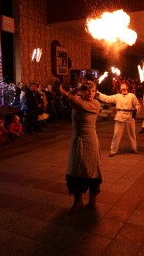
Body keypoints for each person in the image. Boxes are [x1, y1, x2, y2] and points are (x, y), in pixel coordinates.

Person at [59, 81, 102, 215]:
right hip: (77, 141)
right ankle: (78, 202)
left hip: (90, 141)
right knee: (75, 170)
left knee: (91, 170)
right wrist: (78, 87)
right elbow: (73, 98)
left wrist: (61, 90)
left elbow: (73, 99)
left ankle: (92, 201)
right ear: (82, 91)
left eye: (93, 90)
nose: (90, 93)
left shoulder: (95, 104)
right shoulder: (77, 101)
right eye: (87, 90)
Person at [96, 82, 141, 156]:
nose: (122, 86)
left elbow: (137, 104)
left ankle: (134, 148)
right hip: (120, 116)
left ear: (127, 87)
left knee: (132, 133)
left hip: (130, 116)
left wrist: (136, 109)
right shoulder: (117, 96)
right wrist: (98, 93)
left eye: (124, 85)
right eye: (121, 85)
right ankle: (113, 150)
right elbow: (107, 98)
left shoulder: (132, 96)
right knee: (116, 134)